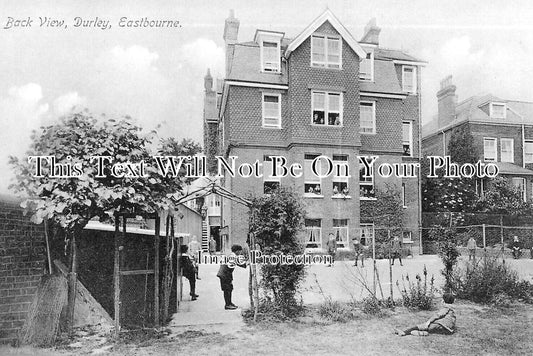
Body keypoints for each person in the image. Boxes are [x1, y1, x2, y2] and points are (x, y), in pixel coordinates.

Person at [217, 244, 247, 310]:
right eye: (240, 251)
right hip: (224, 275)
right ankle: (227, 305)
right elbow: (241, 264)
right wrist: (247, 263)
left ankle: (229, 303)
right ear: (237, 251)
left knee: (229, 289)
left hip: (225, 274)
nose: (240, 253)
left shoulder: (232, 255)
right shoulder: (233, 256)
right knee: (227, 289)